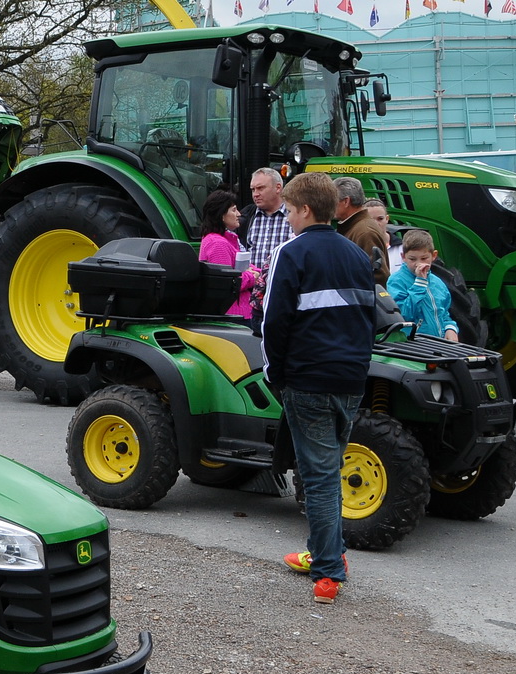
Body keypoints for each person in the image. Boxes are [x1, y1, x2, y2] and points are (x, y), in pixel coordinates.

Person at [262, 173, 376, 605]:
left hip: (307, 377)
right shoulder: (356, 253)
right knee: (325, 469)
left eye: (289, 210)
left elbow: (275, 320)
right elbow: (369, 317)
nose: (287, 218)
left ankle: (328, 569)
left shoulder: (290, 253)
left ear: (305, 210)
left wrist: (276, 374)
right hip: (350, 377)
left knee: (319, 477)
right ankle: (327, 553)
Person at [195, 189, 258, 319]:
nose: (239, 214)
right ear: (221, 215)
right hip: (232, 315)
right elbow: (226, 282)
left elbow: (244, 268)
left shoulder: (227, 240)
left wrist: (256, 272)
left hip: (238, 313)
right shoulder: (217, 244)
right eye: (234, 210)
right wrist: (252, 277)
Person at [386, 230, 459, 341]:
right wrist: (419, 284)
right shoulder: (396, 281)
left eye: (424, 258)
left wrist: (450, 328)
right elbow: (404, 314)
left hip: (438, 343)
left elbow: (443, 312)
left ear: (434, 256)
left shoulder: (437, 282)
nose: (418, 263)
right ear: (403, 257)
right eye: (412, 259)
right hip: (413, 344)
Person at [333, 177, 391, 285]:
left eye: (334, 200)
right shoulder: (356, 227)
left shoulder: (365, 232)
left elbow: (379, 276)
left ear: (346, 201)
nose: (331, 205)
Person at [244, 167, 292, 273]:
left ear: (278, 188)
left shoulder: (294, 216)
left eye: (260, 188)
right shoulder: (246, 217)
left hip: (283, 285)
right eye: (253, 189)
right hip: (252, 286)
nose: (255, 194)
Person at [364, 198, 402, 275]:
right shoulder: (358, 246)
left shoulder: (402, 247)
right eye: (370, 219)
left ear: (387, 219)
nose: (376, 224)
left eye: (380, 219)